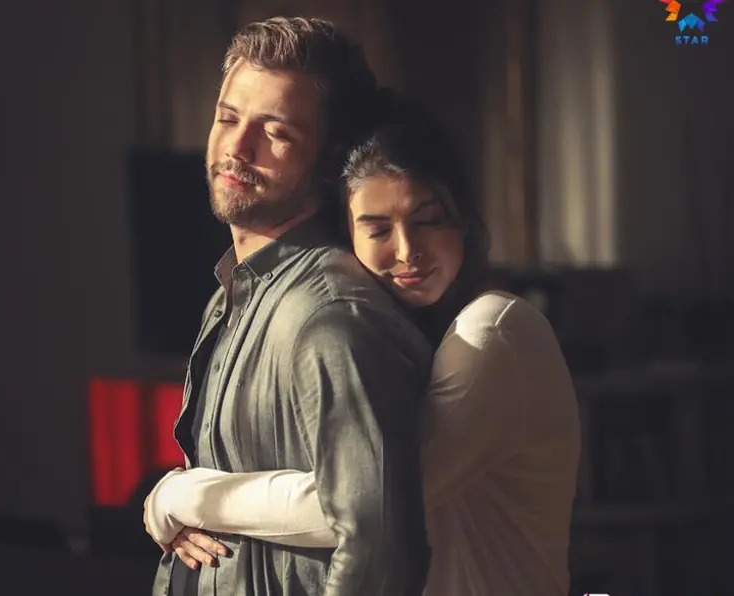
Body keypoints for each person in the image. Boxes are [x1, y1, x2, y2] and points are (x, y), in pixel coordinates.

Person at [145, 94, 581, 596]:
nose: (407, 250)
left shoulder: (496, 330)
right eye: (378, 229)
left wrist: (185, 495)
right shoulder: (397, 337)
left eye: (428, 220)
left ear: (463, 222)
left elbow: (365, 504)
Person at [146, 17, 434, 596]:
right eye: (228, 118)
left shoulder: (331, 316)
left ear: (329, 161)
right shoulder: (232, 291)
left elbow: (381, 547)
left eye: (274, 131)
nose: (237, 147)